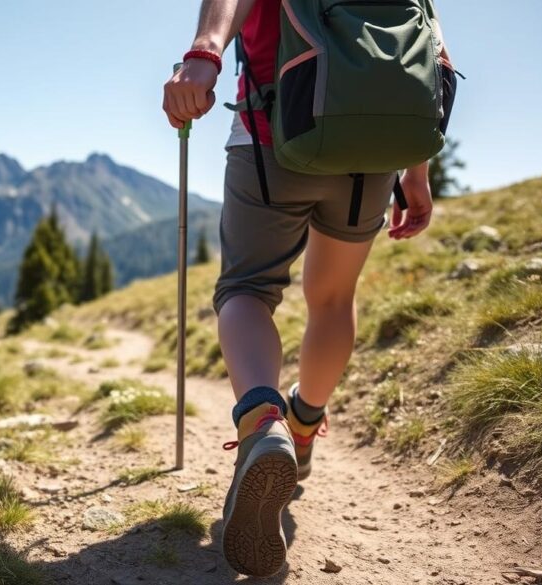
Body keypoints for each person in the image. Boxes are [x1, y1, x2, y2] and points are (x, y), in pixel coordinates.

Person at [162, 0, 449, 577]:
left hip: (273, 133)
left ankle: (262, 424)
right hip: (372, 157)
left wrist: (204, 54)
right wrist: (416, 169)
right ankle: (303, 423)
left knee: (246, 289)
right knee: (334, 298)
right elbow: (426, 49)